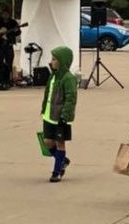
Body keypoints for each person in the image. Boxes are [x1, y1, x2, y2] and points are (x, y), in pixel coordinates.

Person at [41, 46, 78, 183]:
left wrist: (65, 116)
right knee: (47, 142)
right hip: (49, 115)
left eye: (54, 59)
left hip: (60, 117)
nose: (51, 62)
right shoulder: (53, 76)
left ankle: (57, 172)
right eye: (52, 59)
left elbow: (71, 98)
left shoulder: (68, 78)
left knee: (60, 143)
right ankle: (62, 160)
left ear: (63, 61)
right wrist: (44, 109)